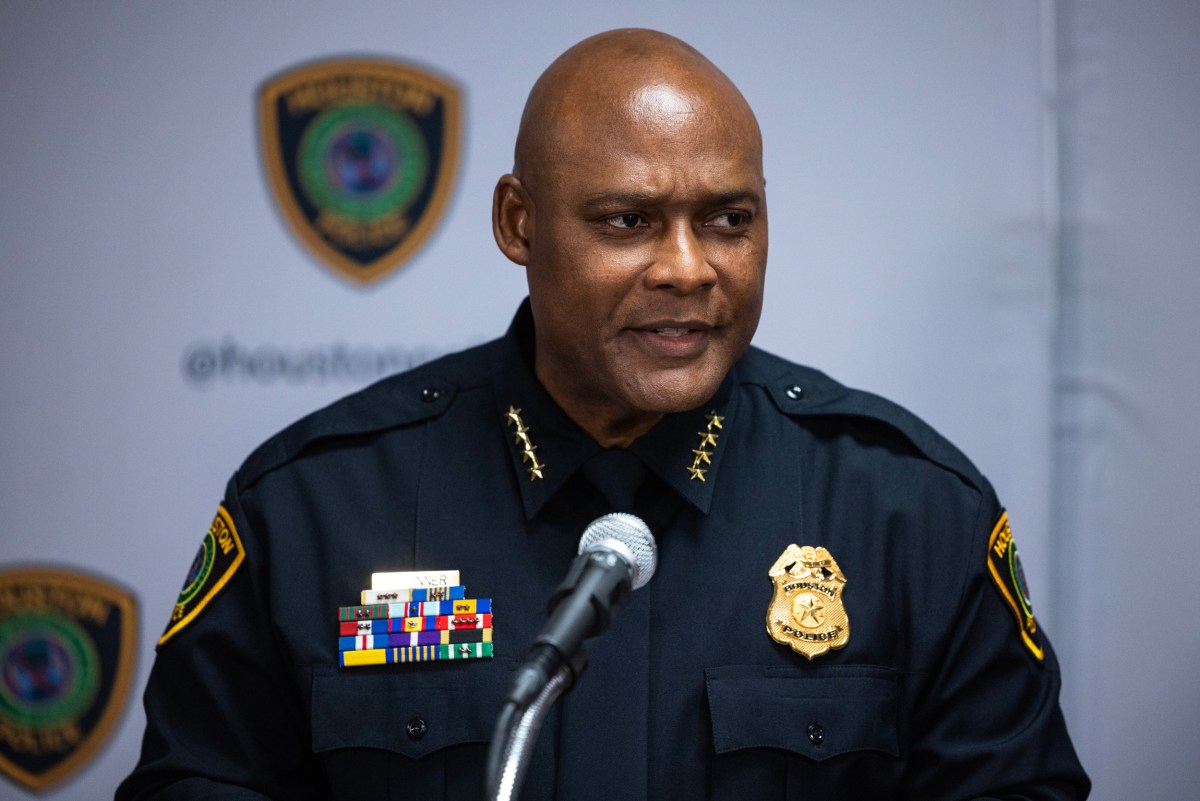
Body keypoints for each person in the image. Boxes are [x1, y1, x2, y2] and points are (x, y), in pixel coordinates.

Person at [118, 28, 1089, 801]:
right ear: (517, 223)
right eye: (627, 221)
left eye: (728, 220)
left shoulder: (907, 510)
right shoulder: (320, 506)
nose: (687, 267)